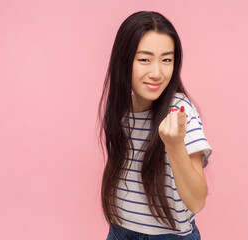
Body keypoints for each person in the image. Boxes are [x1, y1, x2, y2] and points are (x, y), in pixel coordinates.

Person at [98, 10, 212, 240]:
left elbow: (197, 201)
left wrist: (175, 144)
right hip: (120, 231)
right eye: (144, 60)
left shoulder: (179, 111)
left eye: (167, 60)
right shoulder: (120, 109)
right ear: (123, 61)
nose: (157, 73)